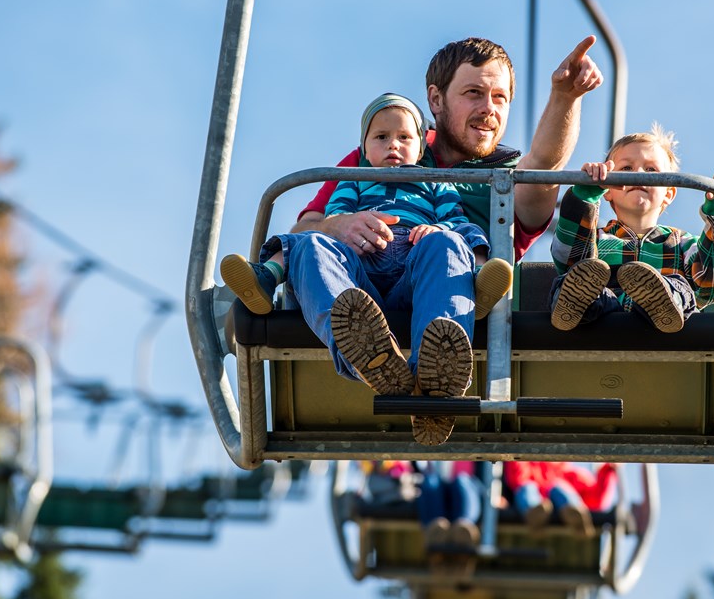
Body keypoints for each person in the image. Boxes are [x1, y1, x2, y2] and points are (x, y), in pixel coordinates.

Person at [282, 37, 605, 445]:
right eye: (473, 94)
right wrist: (340, 225)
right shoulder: (392, 143)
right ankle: (367, 353)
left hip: (439, 284)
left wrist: (565, 96)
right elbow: (304, 231)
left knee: (447, 243)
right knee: (309, 248)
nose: (488, 109)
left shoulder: (508, 176)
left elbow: (545, 163)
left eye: (500, 98)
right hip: (362, 279)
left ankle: (439, 372)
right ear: (436, 99)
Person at [219, 93, 513, 445]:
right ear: (363, 148)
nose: (393, 145)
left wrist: (438, 230)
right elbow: (333, 220)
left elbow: (455, 219)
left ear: (421, 147)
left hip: (413, 269)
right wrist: (348, 222)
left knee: (450, 243)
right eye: (381, 137)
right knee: (310, 244)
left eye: (404, 137)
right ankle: (363, 346)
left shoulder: (435, 181)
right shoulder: (354, 179)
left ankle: (442, 359)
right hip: (359, 272)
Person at [548, 124, 714, 333]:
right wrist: (584, 195)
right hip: (602, 323)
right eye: (626, 169)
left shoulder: (683, 243)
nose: (638, 175)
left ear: (668, 193)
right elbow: (568, 258)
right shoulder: (596, 238)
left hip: (662, 330)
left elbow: (711, 282)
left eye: (651, 170)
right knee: (581, 274)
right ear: (608, 190)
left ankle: (662, 300)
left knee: (680, 287)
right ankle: (578, 303)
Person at [503, 460, 618, 537]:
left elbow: (595, 499)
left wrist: (608, 470)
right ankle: (534, 513)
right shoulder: (525, 465)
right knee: (527, 488)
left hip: (556, 500)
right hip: (533, 498)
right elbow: (516, 478)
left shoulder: (565, 473)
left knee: (558, 488)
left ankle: (574, 512)